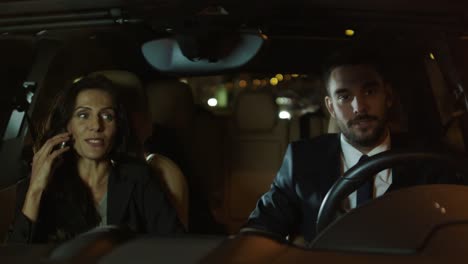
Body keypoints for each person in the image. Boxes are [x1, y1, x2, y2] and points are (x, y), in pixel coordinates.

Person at [244, 47, 459, 244]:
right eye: (344, 97)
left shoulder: (429, 161)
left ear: (389, 96)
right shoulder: (302, 160)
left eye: (369, 92)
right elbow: (260, 230)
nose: (359, 107)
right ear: (331, 107)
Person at [7, 75, 183, 243]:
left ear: (117, 126)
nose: (96, 126)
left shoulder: (138, 178)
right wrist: (36, 189)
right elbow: (18, 253)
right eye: (83, 115)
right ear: (67, 125)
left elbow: (175, 245)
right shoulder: (41, 184)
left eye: (107, 116)